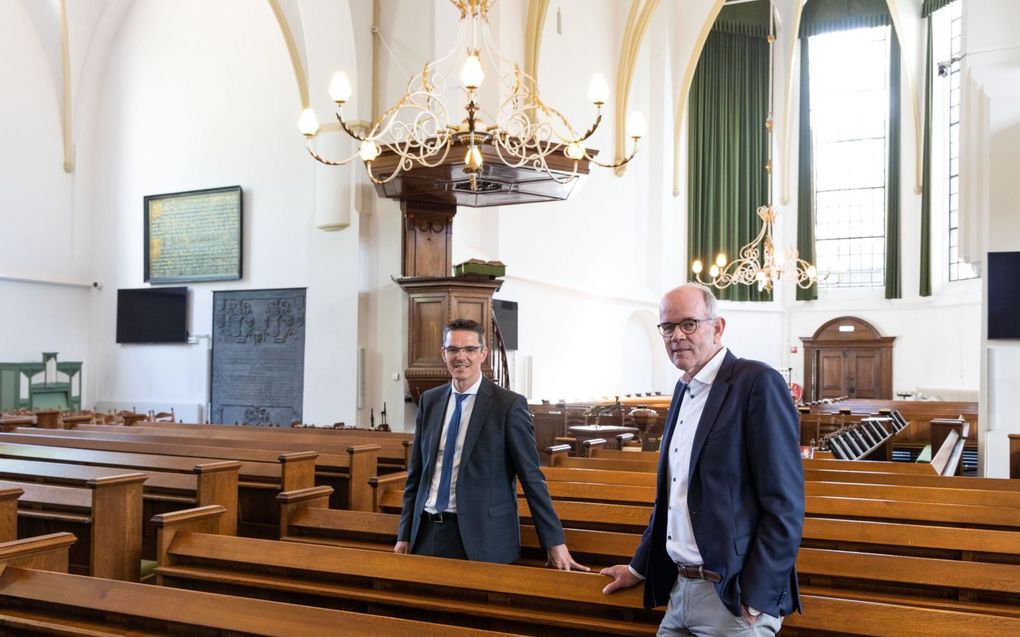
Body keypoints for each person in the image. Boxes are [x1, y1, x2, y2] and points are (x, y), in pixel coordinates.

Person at [601, 283, 804, 636]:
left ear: (718, 327)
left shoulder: (757, 383)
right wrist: (638, 569)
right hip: (679, 591)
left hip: (731, 597)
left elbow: (785, 505)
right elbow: (673, 500)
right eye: (668, 327)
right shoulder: (684, 388)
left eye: (689, 324)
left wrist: (755, 597)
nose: (676, 335)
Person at [395, 318, 587, 570]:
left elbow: (531, 478)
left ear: (483, 353)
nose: (460, 357)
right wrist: (405, 534)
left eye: (469, 349)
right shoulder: (430, 402)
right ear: (443, 354)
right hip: (427, 532)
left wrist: (554, 543)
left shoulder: (507, 405)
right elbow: (417, 475)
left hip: (483, 538)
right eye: (452, 349)